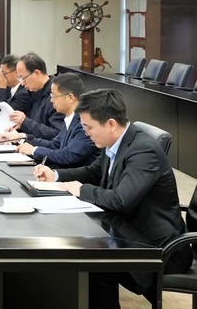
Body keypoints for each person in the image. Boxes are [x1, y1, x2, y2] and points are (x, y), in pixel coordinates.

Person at [33, 89, 191, 309]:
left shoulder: (143, 151)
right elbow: (93, 172)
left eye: (88, 127)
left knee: (94, 264)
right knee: (86, 256)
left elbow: (121, 200)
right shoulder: (116, 142)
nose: (86, 133)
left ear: (110, 124)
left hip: (159, 247)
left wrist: (82, 190)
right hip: (127, 229)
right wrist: (56, 175)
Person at [16, 73, 99, 168]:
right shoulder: (70, 118)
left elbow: (68, 156)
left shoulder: (85, 123)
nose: (51, 100)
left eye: (54, 96)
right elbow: (55, 144)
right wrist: (23, 138)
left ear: (70, 98)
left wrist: (34, 150)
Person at [8, 52, 63, 140]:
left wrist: (25, 123)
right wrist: (19, 126)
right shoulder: (31, 92)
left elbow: (57, 134)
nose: (22, 83)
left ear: (37, 73)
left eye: (22, 77)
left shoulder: (57, 95)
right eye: (19, 78)